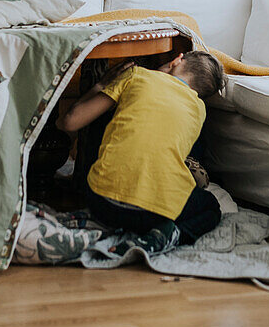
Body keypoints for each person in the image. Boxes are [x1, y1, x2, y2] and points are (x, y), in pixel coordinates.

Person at [56, 51, 225, 246]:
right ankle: (170, 235)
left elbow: (68, 123)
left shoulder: (136, 75)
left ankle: (100, 221)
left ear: (176, 60)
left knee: (109, 115)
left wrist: (102, 85)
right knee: (211, 207)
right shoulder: (199, 109)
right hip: (155, 214)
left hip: (101, 203)